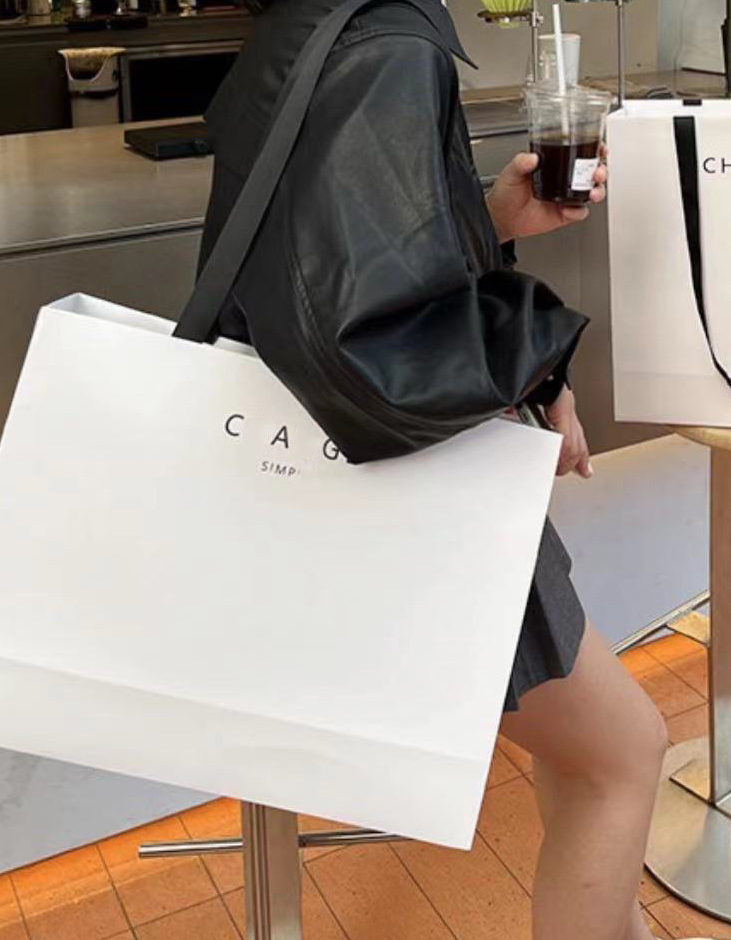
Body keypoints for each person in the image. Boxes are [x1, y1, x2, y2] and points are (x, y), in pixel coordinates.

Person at [197, 1, 692, 938]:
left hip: (371, 478)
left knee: (588, 756)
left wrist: (488, 219)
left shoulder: (322, 21)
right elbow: (364, 340)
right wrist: (539, 363)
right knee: (624, 755)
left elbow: (339, 268)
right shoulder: (390, 45)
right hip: (417, 489)